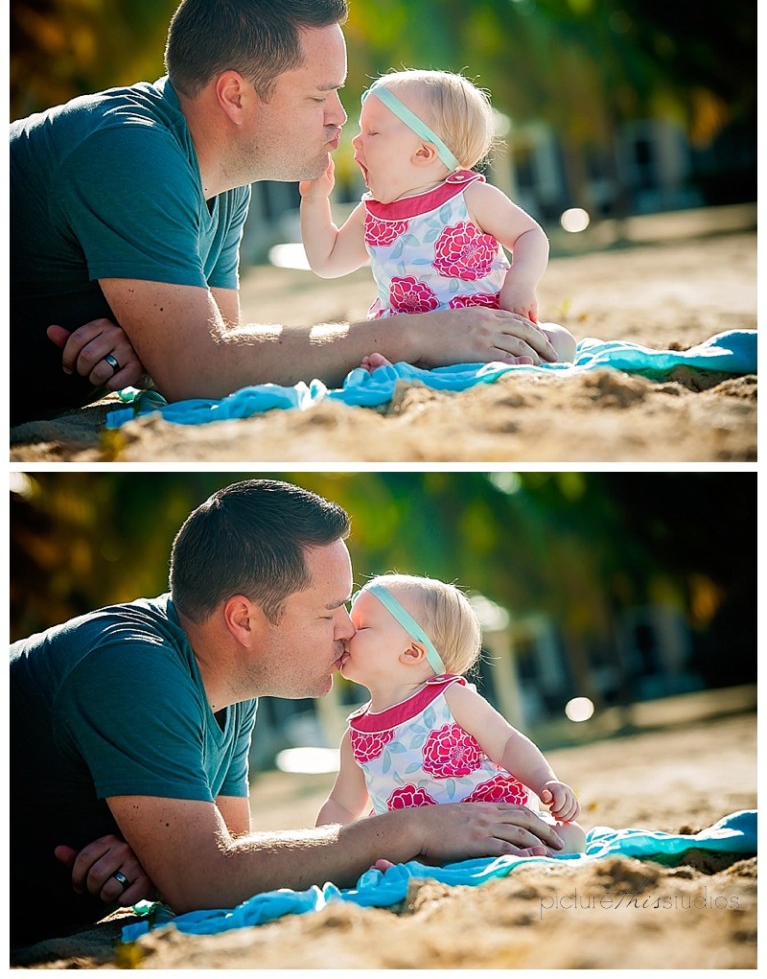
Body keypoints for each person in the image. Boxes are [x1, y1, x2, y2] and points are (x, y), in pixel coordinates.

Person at [9, 479, 566, 947]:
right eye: (330, 612)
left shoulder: (231, 684)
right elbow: (208, 879)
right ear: (244, 621)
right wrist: (416, 827)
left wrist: (165, 864)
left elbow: (228, 853)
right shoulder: (132, 667)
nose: (348, 628)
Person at [10, 0, 557, 425]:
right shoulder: (130, 150)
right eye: (321, 95)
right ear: (235, 95)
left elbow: (220, 347)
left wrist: (154, 351)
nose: (340, 119)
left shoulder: (223, 182)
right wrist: (420, 332)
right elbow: (200, 370)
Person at [299, 69, 577, 370]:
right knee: (377, 353)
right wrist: (314, 200)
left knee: (560, 341)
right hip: (414, 340)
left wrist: (520, 284)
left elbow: (529, 234)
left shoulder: (470, 196)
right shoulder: (373, 214)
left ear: (423, 152)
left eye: (372, 132)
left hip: (486, 329)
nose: (356, 141)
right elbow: (326, 261)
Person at [318, 574, 586, 856]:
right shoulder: (357, 736)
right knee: (384, 858)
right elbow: (343, 805)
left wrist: (545, 782)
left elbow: (507, 744)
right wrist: (319, 850)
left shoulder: (449, 698)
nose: (346, 631)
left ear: (411, 652)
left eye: (361, 626)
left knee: (568, 835)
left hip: (492, 824)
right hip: (419, 846)